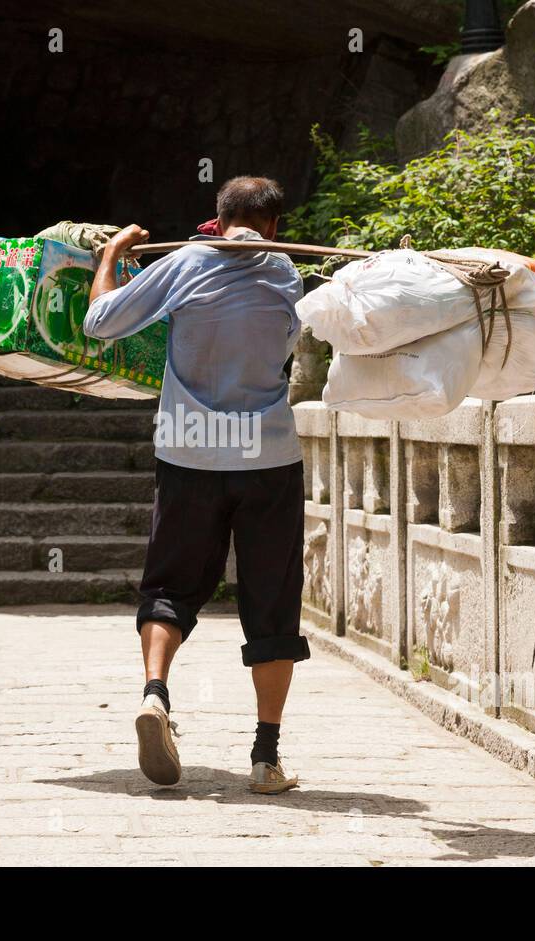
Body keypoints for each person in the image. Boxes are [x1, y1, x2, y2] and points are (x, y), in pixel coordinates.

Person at [83, 176, 309, 794]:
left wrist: (111, 260)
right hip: (268, 458)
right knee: (272, 600)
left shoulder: (185, 262)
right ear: (272, 226)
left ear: (219, 216)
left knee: (170, 586)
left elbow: (100, 322)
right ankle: (266, 758)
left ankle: (156, 695)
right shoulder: (288, 275)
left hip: (189, 455)